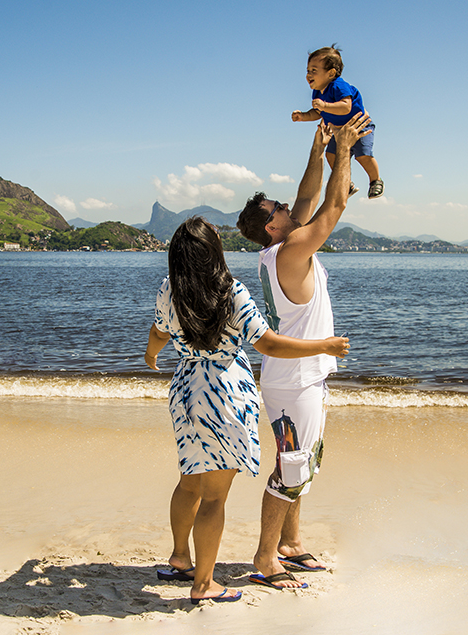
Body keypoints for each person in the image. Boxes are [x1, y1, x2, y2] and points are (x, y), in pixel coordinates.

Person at [145, 217, 349, 604]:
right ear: (213, 252)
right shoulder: (230, 292)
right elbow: (268, 344)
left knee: (190, 481)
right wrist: (322, 345)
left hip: (186, 391)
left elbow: (159, 333)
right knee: (214, 498)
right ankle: (203, 584)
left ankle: (179, 558)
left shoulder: (170, 289)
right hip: (224, 395)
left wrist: (151, 355)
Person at [235, 112, 372, 589]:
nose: (288, 208)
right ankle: (265, 557)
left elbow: (310, 196)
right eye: (278, 209)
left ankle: (290, 544)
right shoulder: (291, 250)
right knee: (293, 467)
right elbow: (331, 208)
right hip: (293, 378)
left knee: (300, 460)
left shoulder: (279, 247)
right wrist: (347, 150)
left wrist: (317, 153)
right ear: (271, 227)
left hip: (294, 375)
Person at [292, 44, 384, 199]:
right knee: (331, 155)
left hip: (360, 127)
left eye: (314, 70)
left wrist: (325, 105)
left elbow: (346, 107)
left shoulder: (338, 85)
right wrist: (304, 116)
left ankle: (375, 180)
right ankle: (346, 183)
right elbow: (318, 112)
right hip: (339, 130)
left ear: (331, 73)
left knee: (363, 155)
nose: (308, 74)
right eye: (308, 70)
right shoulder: (317, 92)